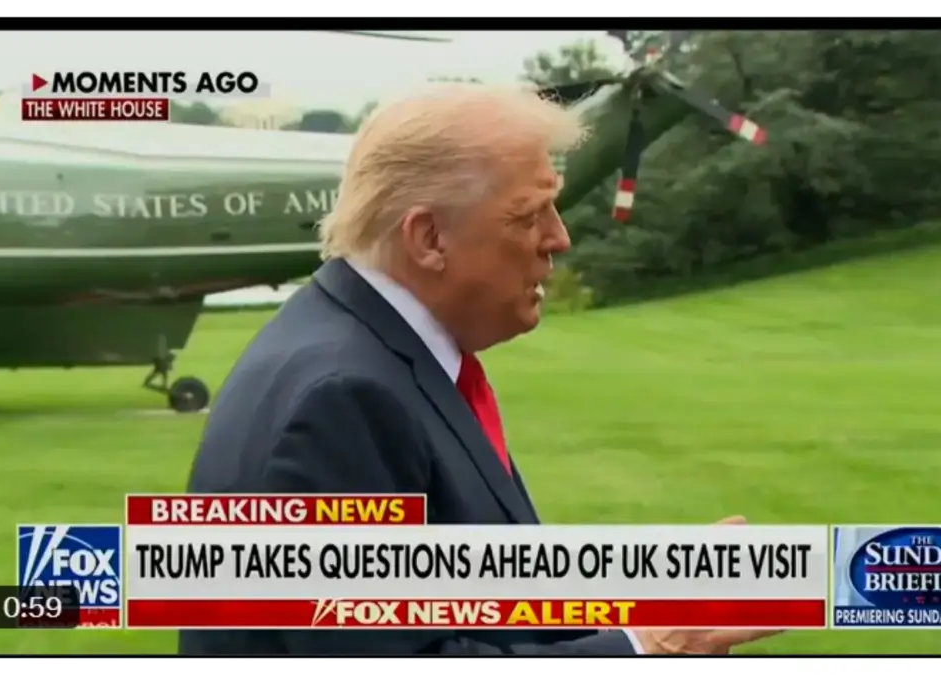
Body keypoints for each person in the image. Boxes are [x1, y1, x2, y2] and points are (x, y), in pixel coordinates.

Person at [179, 83, 781, 656]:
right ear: (429, 238)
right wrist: (647, 645)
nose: (559, 238)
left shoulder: (366, 352)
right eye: (529, 216)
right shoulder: (343, 401)